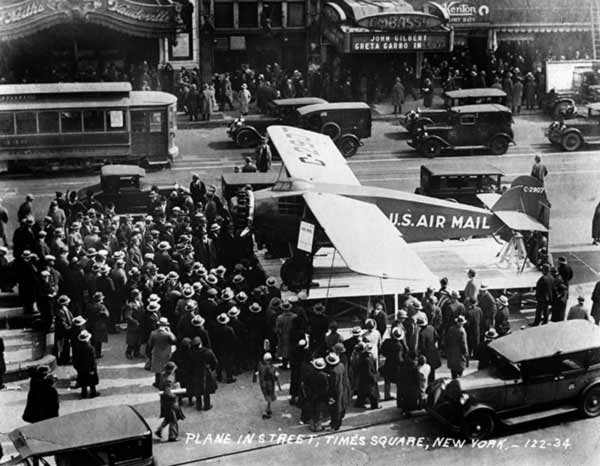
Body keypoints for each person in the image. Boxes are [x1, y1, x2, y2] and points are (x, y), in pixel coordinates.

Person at [155, 368, 185, 442]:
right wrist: (175, 395)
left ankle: (159, 430)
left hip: (164, 402)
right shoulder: (169, 379)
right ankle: (172, 436)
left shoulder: (162, 375)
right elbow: (168, 392)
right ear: (171, 369)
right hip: (171, 402)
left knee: (169, 417)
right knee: (173, 419)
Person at [189, 336, 218, 410]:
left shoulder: (191, 353)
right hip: (206, 372)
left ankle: (198, 406)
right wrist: (211, 369)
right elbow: (215, 362)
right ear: (200, 343)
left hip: (195, 372)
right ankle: (207, 405)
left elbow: (189, 364)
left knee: (197, 389)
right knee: (206, 389)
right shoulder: (208, 351)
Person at [380, 326, 408, 401]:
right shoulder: (399, 345)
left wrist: (388, 356)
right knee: (399, 381)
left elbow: (382, 351)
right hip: (396, 365)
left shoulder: (387, 341)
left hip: (388, 362)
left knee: (387, 380)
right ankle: (400, 396)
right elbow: (400, 357)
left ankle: (387, 395)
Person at [148, 317, 177, 388]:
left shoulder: (153, 333)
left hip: (156, 353)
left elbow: (150, 344)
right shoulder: (168, 334)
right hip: (166, 353)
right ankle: (165, 382)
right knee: (166, 368)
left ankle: (157, 383)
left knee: (157, 369)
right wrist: (170, 332)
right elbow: (174, 341)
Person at [325, 351, 351, 431]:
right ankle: (336, 423)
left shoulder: (333, 371)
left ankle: (335, 426)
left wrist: (330, 395)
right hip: (342, 389)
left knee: (334, 409)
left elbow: (333, 385)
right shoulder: (341, 366)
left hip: (336, 392)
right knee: (340, 407)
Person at [305, 357, 330, 432]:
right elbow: (326, 387)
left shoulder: (310, 374)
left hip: (312, 395)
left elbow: (306, 384)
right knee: (319, 412)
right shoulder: (324, 376)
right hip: (321, 396)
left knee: (312, 410)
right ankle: (318, 426)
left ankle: (312, 425)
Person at [73, 330, 100, 398]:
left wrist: (77, 367)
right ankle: (93, 392)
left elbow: (75, 358)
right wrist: (93, 368)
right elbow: (93, 360)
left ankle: (84, 393)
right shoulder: (90, 348)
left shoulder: (78, 347)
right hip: (89, 368)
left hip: (81, 368)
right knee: (92, 382)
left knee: (83, 382)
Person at [355, 343, 380, 409]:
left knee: (362, 391)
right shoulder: (367, 359)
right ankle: (374, 405)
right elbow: (369, 370)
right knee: (373, 392)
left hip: (363, 377)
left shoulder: (362, 356)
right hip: (369, 378)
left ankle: (359, 403)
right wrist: (374, 377)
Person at [417, 315, 441, 383]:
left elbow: (422, 347)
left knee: (427, 372)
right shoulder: (431, 328)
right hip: (433, 351)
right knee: (432, 372)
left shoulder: (421, 333)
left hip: (426, 354)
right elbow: (437, 337)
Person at [257, 352, 279, 419]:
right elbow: (274, 377)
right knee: (268, 397)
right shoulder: (271, 368)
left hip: (263, 384)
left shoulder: (260, 366)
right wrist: (276, 376)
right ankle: (266, 411)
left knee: (266, 397)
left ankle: (268, 409)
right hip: (269, 384)